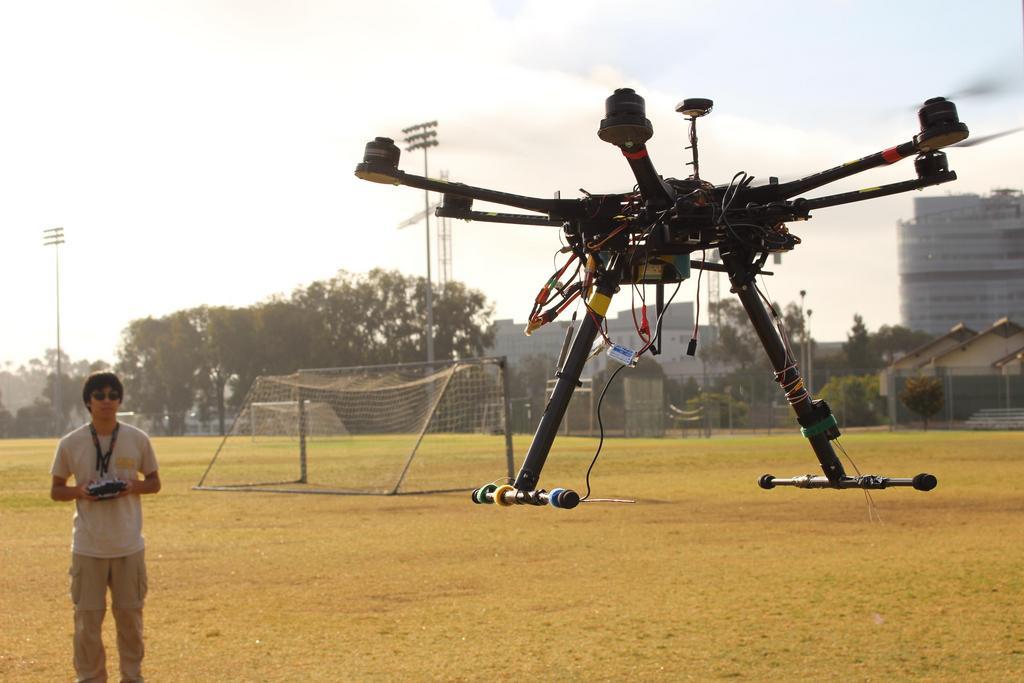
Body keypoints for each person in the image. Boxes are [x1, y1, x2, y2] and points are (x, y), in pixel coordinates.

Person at [50, 371, 160, 683]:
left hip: (128, 546)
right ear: (88, 401)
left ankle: (132, 676)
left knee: (130, 619)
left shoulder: (137, 439)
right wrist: (79, 491)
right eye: (100, 395)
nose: (107, 401)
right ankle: (90, 678)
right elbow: (56, 490)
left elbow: (154, 483)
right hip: (88, 547)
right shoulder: (70, 443)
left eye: (113, 395)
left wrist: (132, 486)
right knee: (87, 623)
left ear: (120, 400)